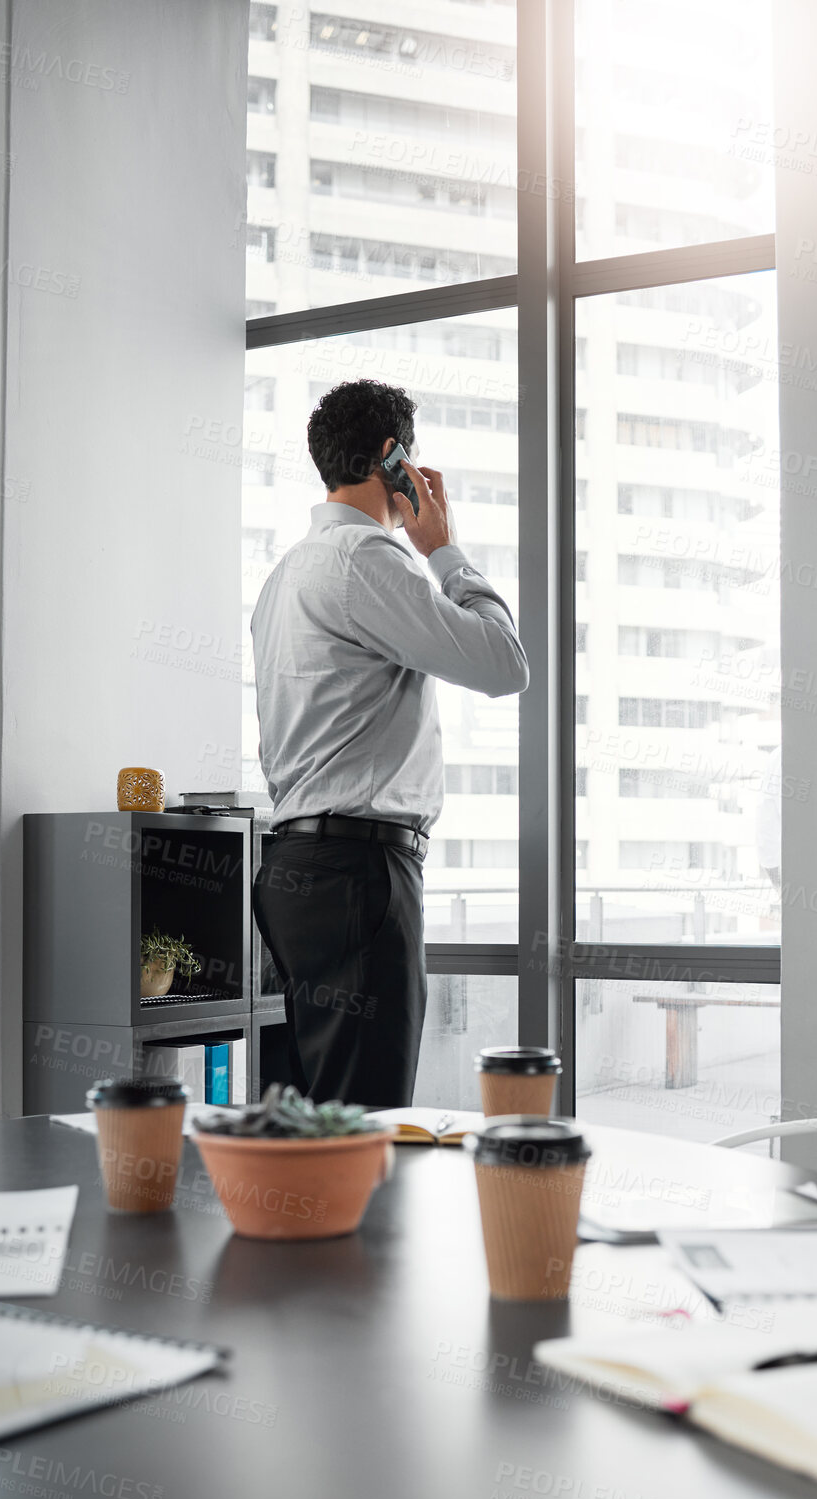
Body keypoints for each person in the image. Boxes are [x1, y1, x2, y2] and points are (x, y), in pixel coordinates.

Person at [249, 378, 528, 1108]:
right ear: (391, 457)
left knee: (302, 1125)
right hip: (357, 872)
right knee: (366, 1121)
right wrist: (443, 550)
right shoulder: (367, 561)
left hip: (291, 868)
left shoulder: (283, 577)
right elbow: (504, 664)